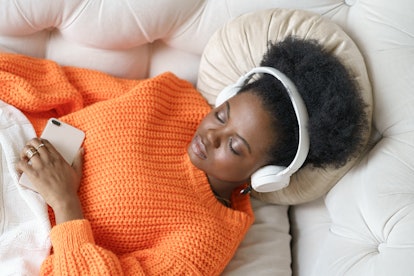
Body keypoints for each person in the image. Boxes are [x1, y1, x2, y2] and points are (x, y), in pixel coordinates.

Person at [2, 36, 367, 275]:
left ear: (266, 173)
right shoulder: (173, 97)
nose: (209, 136)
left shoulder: (205, 239)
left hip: (23, 228)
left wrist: (65, 202)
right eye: (221, 114)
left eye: (235, 146)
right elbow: (68, 87)